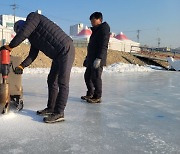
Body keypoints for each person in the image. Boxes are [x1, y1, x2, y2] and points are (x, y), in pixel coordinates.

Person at [0, 12, 75, 123]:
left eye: (20, 31)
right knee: (51, 80)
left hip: (66, 49)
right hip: (57, 55)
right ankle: (51, 108)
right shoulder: (33, 37)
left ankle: (59, 113)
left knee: (62, 82)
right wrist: (22, 65)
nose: (22, 34)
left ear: (24, 26)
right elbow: (32, 55)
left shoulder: (33, 17)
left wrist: (10, 46)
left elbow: (24, 33)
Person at [81, 12, 110, 103]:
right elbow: (92, 47)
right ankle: (90, 93)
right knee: (87, 76)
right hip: (91, 58)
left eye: (93, 20)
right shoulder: (96, 30)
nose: (91, 22)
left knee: (96, 77)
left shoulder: (103, 29)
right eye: (91, 20)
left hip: (97, 58)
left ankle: (97, 97)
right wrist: (87, 58)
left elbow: (103, 45)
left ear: (99, 19)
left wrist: (99, 58)